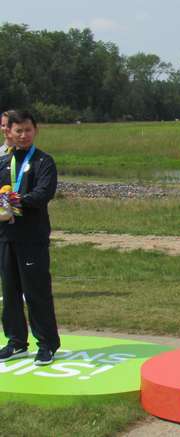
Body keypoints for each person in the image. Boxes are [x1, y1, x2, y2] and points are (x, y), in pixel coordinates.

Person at [0, 110, 61, 366]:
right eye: (18, 131)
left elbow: (43, 194)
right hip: (5, 236)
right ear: (9, 133)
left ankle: (47, 344)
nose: (23, 135)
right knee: (9, 292)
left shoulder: (44, 161)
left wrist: (16, 200)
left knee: (36, 292)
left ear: (35, 130)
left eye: (27, 130)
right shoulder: (4, 162)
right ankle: (16, 342)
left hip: (32, 237)